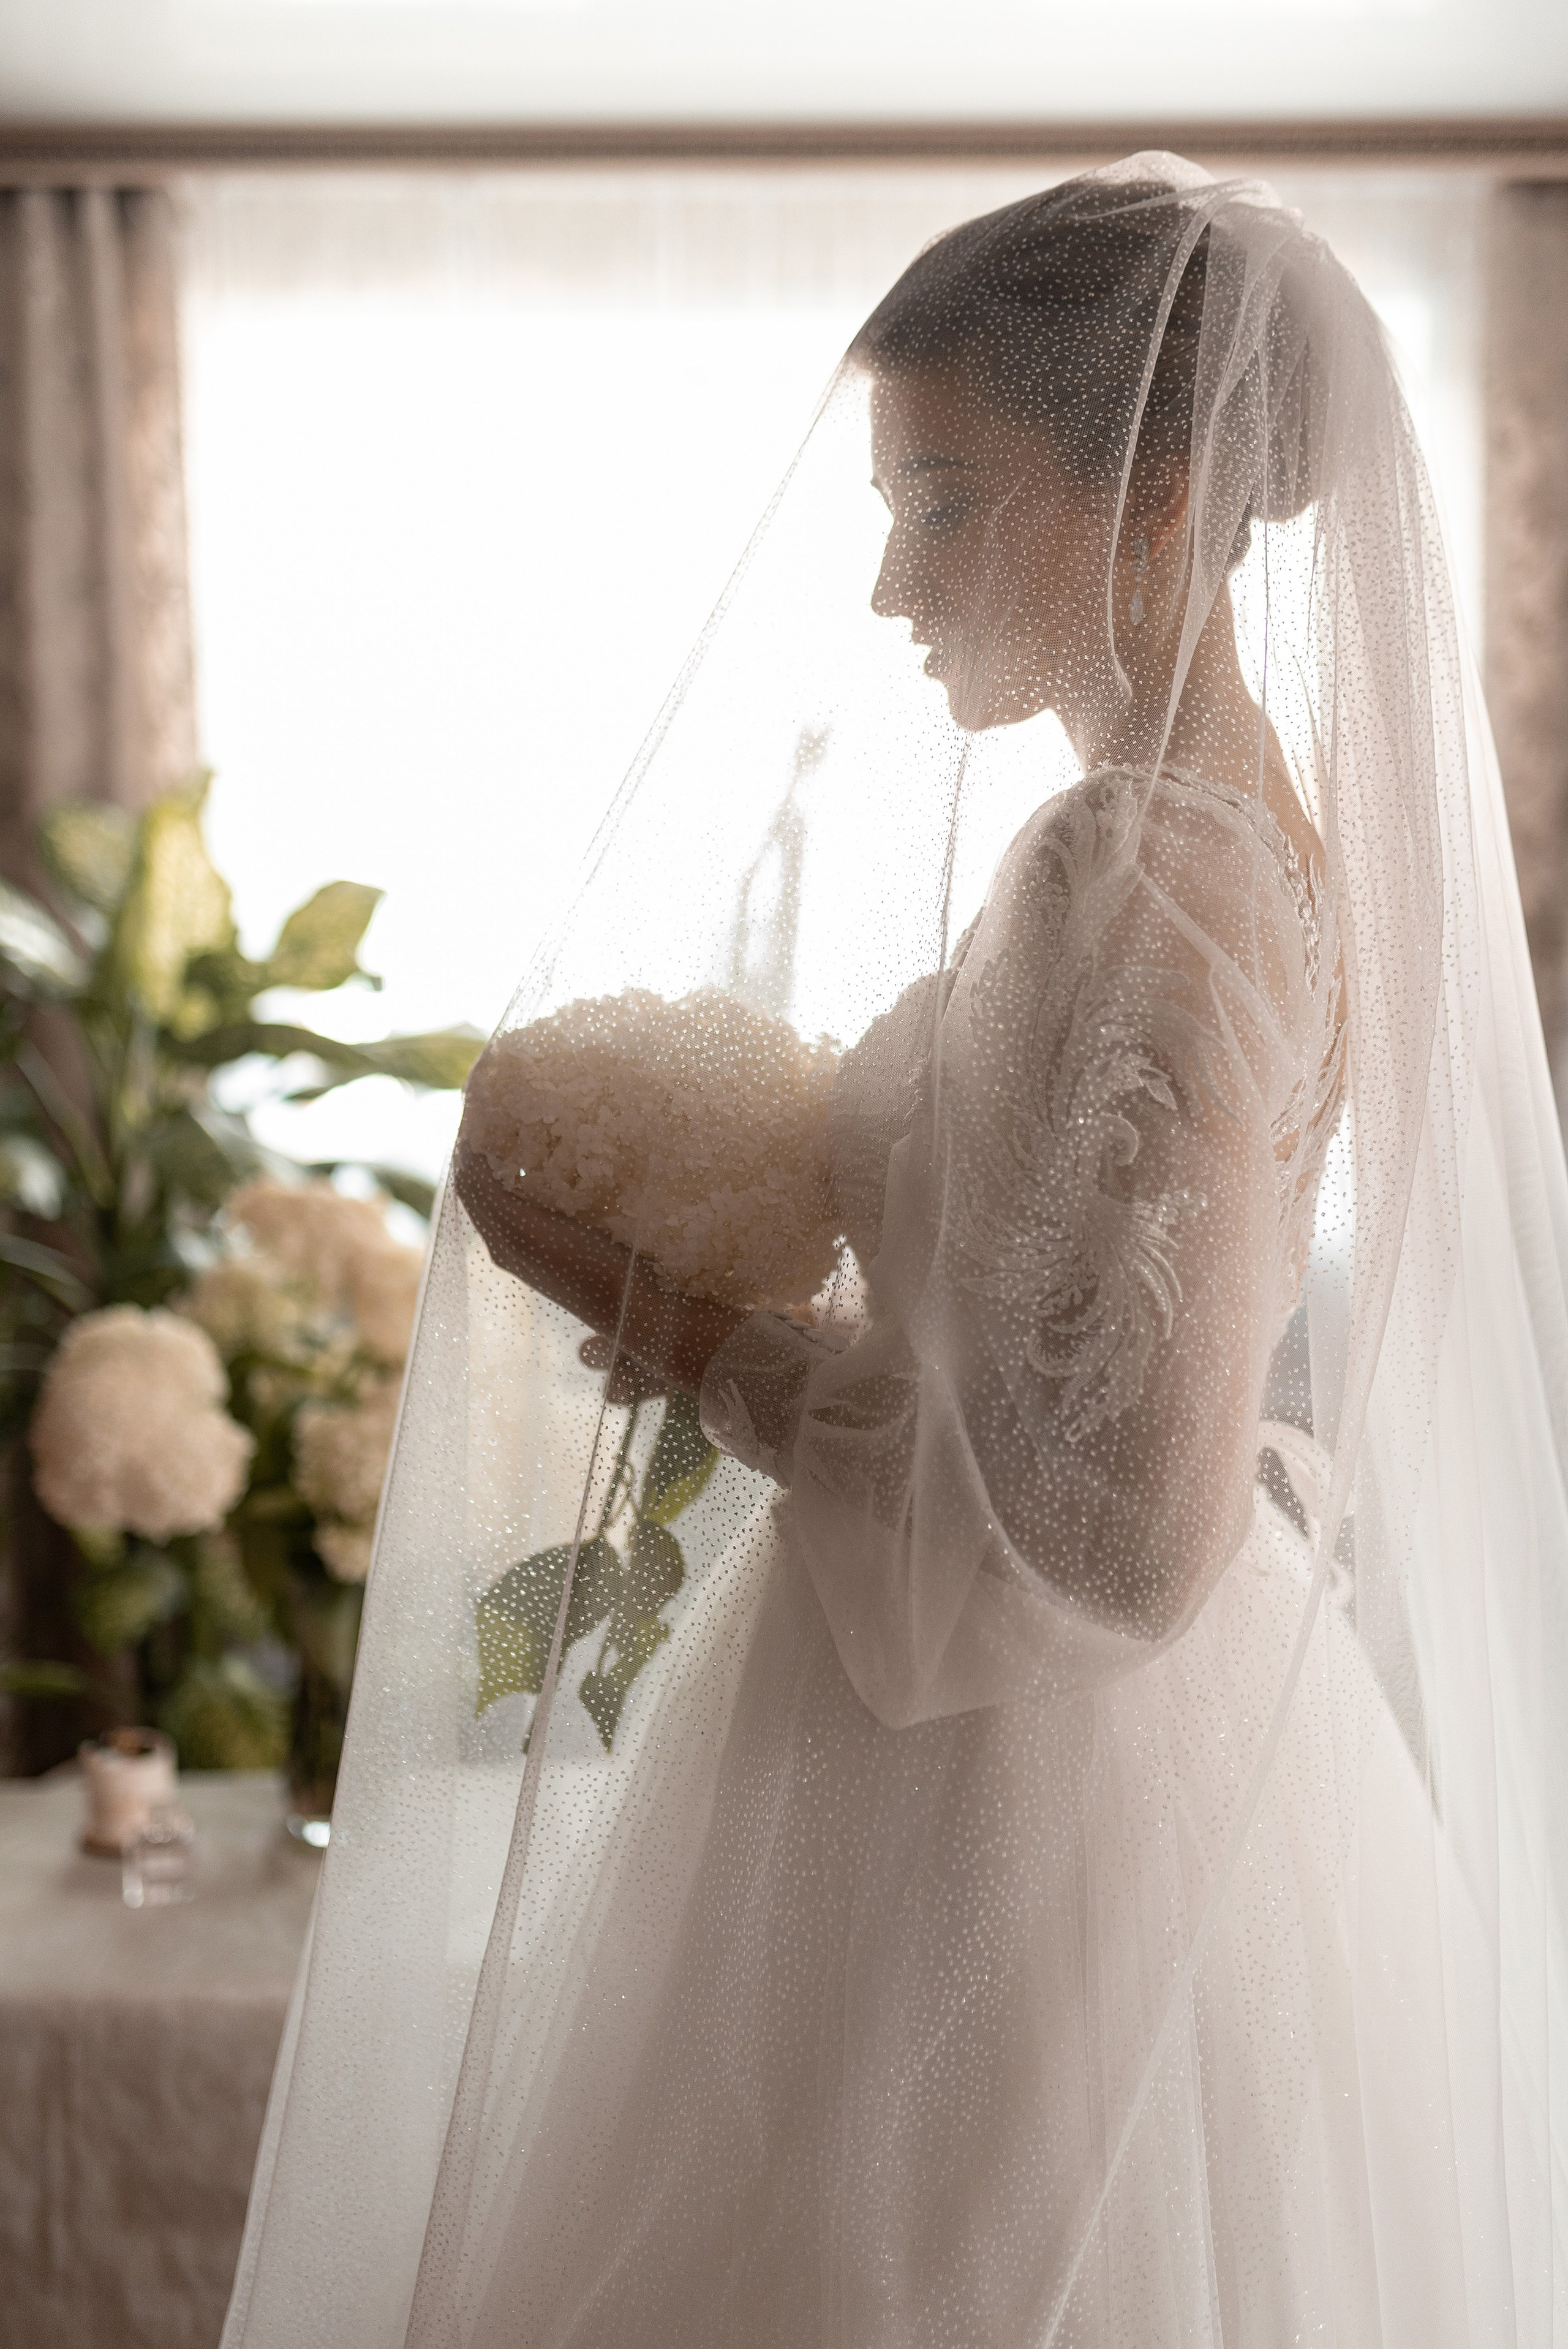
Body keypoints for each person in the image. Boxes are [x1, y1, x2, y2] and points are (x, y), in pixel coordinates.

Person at [224, 159, 1568, 2349]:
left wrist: (664, 1316)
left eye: (943, 501)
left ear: (1153, 489)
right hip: (1045, 1757)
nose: (883, 583)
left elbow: (1121, 1539)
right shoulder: (1217, 834)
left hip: (1010, 1835)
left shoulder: (1147, 871)